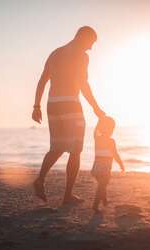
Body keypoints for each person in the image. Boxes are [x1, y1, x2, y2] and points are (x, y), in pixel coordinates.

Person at [32, 26, 105, 205]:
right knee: (76, 150)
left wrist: (36, 106)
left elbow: (42, 80)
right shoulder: (81, 56)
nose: (91, 48)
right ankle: (67, 196)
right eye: (91, 43)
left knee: (57, 148)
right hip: (71, 104)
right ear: (82, 37)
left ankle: (40, 179)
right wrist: (96, 108)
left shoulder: (55, 53)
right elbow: (83, 84)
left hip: (53, 105)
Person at [91, 116, 125, 212]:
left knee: (102, 184)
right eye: (111, 128)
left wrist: (99, 121)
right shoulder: (111, 141)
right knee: (102, 185)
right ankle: (95, 205)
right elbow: (115, 154)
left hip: (96, 166)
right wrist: (121, 164)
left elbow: (95, 131)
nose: (111, 131)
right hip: (105, 167)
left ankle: (104, 199)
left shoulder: (97, 138)